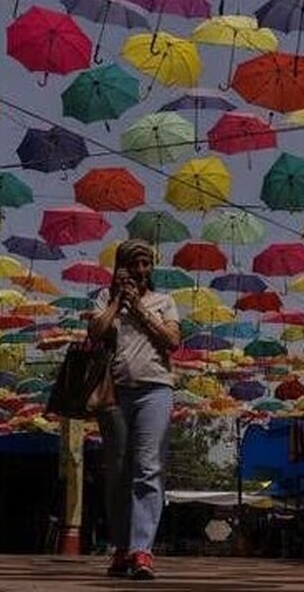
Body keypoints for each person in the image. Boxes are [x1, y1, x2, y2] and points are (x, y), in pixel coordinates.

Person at [85, 239, 181, 580]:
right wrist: (116, 301)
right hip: (115, 394)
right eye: (134, 265)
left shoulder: (164, 301)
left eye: (146, 265)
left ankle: (142, 550)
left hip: (156, 390)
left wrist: (139, 309)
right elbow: (95, 333)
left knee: (148, 468)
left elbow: (172, 340)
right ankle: (122, 547)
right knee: (118, 473)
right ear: (121, 267)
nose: (141, 271)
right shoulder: (103, 299)